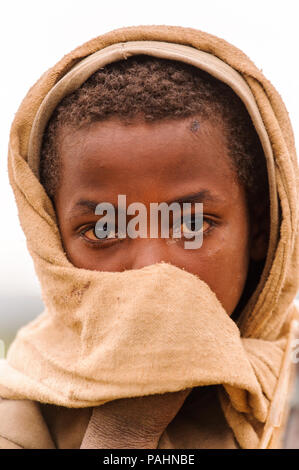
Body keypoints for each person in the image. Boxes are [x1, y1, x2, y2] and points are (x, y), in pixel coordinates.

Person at [0, 25, 298, 449]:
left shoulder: (290, 398)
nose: (152, 268)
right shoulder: (19, 411)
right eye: (103, 228)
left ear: (262, 234)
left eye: (192, 224)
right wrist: (122, 433)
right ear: (52, 245)